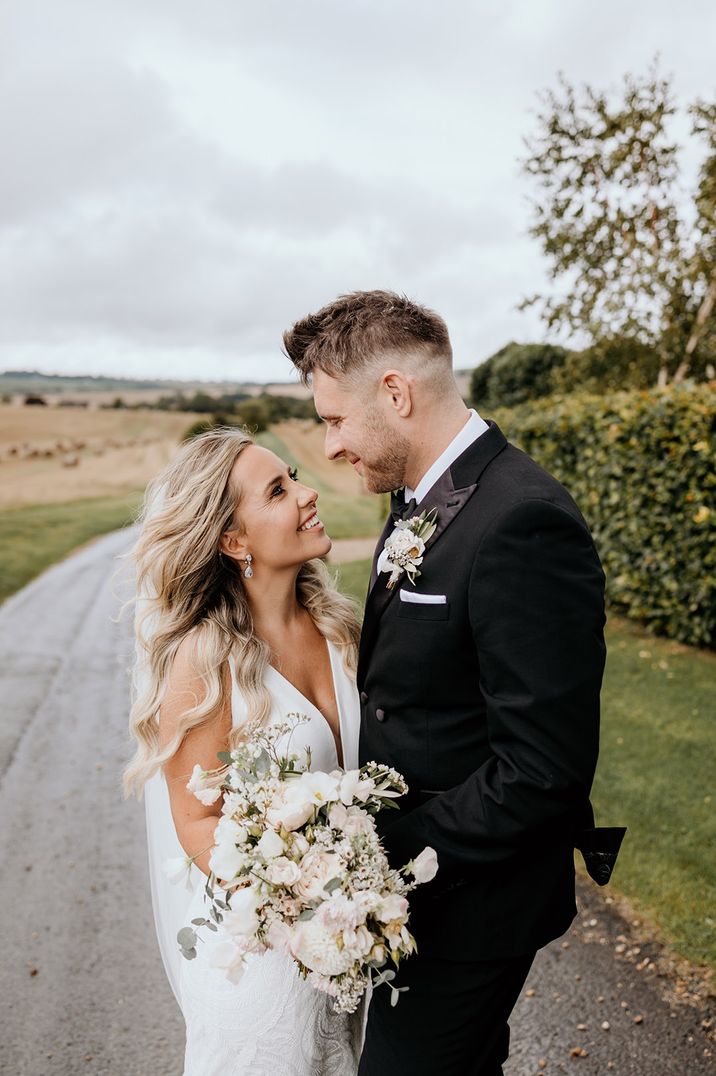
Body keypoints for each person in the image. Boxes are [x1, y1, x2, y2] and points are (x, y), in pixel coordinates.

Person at [284, 289, 625, 1076]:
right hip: (426, 902)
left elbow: (542, 769)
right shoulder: (422, 498)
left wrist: (378, 856)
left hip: (473, 908)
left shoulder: (521, 520)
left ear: (395, 394)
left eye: (335, 419)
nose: (330, 447)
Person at [124, 427, 366, 1076]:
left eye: (295, 477)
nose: (309, 493)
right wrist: (297, 892)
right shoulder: (206, 661)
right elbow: (196, 821)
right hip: (258, 971)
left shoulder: (338, 627)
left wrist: (347, 904)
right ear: (233, 541)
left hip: (341, 954)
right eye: (280, 490)